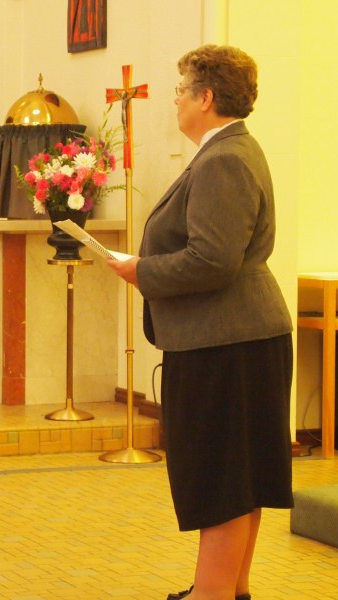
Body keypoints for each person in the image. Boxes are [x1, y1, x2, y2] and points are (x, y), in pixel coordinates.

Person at [108, 45, 293, 600]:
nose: (175, 99)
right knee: (236, 478)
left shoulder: (224, 158)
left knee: (222, 480)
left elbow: (213, 259)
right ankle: (224, 590)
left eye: (181, 89)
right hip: (236, 338)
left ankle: (213, 595)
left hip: (227, 341)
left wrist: (142, 270)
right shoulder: (226, 152)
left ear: (205, 97)